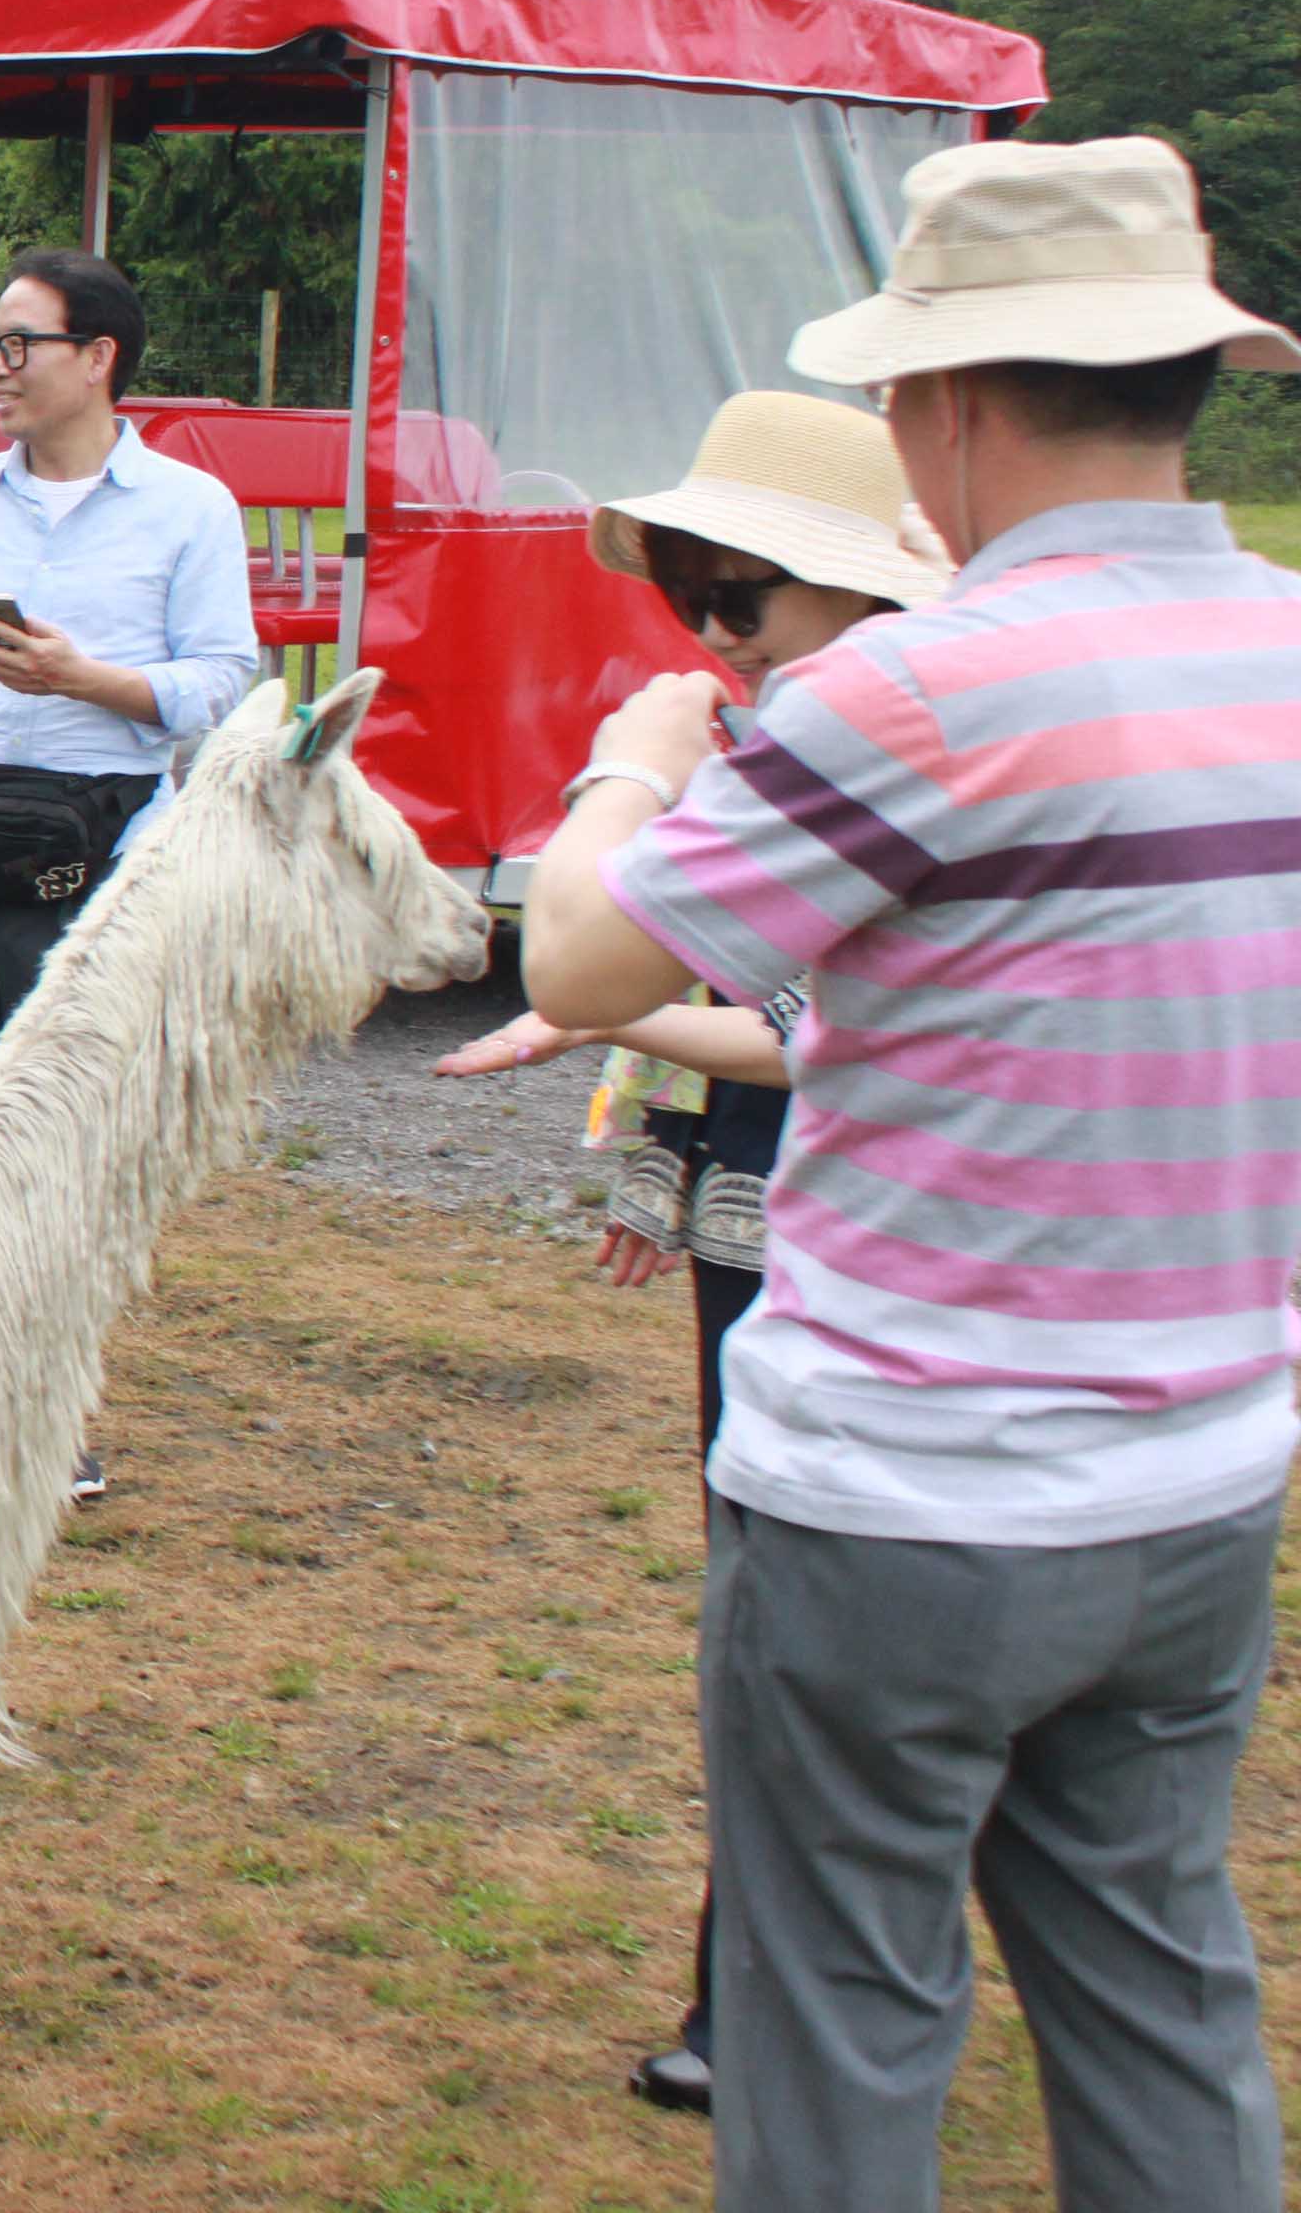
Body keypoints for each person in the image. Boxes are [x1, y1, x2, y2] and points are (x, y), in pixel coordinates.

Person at [522, 136, 1299, 2213]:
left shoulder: (916, 689)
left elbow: (580, 956)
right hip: (1206, 1479)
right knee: (1161, 2000)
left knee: (844, 2029)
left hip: (908, 1499)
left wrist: (639, 764)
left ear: (942, 408)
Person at [428, 389, 946, 2121]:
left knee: (834, 1625)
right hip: (776, 1210)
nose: (711, 630)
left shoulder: (866, 739)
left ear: (858, 596)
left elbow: (795, 1018)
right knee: (766, 1597)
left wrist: (621, 829)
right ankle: (759, 1980)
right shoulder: (798, 736)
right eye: (691, 588)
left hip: (876, 1235)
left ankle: (807, 1997)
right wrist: (642, 1112)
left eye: (745, 591)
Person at [0, 247, 254, 1500]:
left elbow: (224, 685)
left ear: (99, 359)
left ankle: (40, 1428)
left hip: (90, 861)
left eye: (19, 345)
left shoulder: (191, 510)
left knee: (54, 1160)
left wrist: (90, 681)